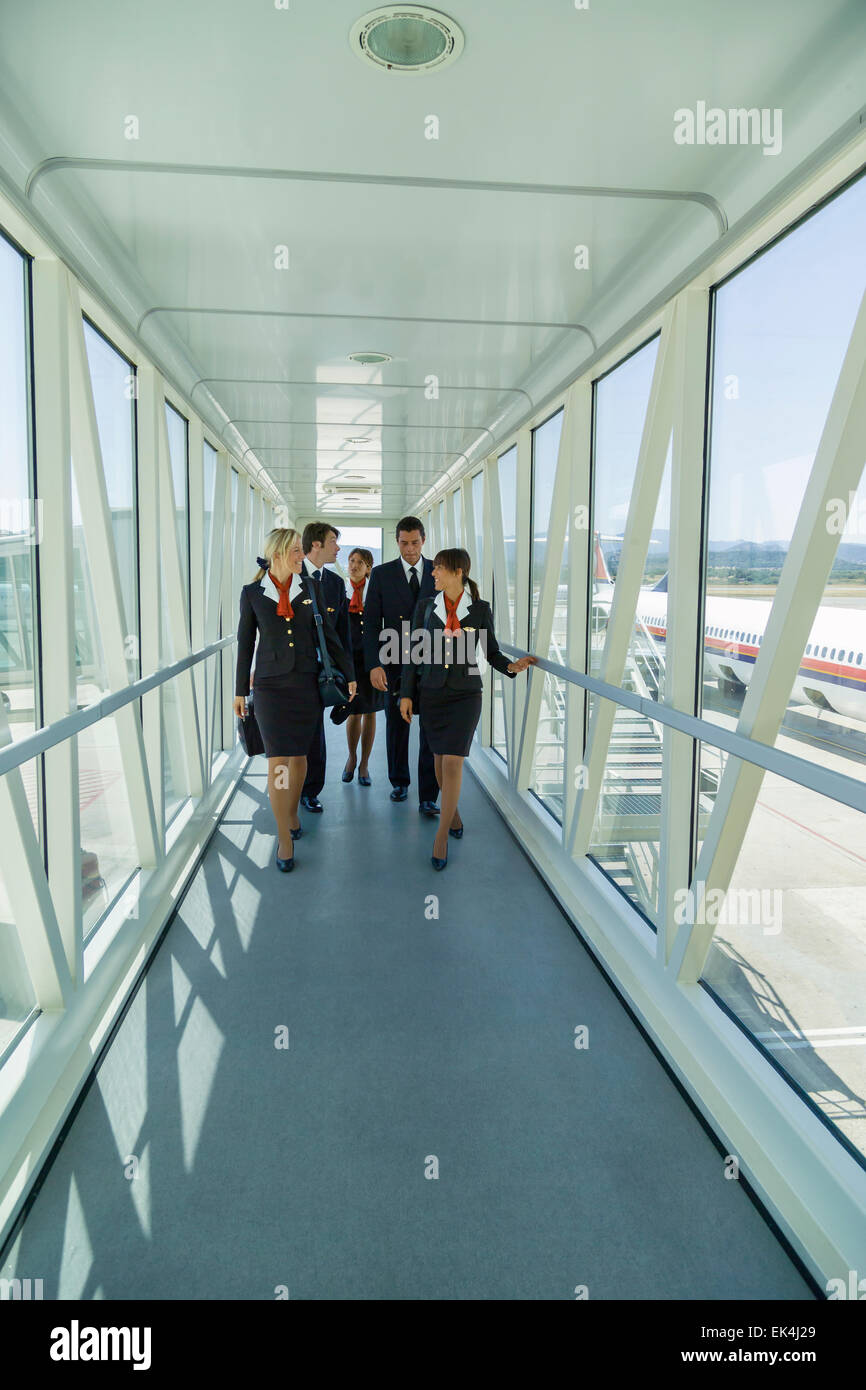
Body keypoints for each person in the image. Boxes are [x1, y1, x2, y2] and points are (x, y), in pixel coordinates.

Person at [399, 547, 536, 870]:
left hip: (465, 695)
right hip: (432, 693)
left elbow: (490, 653)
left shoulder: (478, 609)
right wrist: (406, 694)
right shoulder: (425, 607)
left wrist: (512, 668)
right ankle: (454, 815)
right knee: (437, 761)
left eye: (439, 569)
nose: (432, 573)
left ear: (458, 571)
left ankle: (441, 836)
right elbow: (412, 654)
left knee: (452, 763)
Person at [233, 528, 356, 871]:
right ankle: (284, 838)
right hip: (271, 688)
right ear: (278, 554)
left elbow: (330, 635)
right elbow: (245, 646)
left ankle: (290, 814)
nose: (302, 557)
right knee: (278, 761)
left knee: (300, 757)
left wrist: (352, 675)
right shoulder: (253, 594)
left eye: (302, 551)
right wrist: (240, 691)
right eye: (297, 551)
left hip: (305, 684)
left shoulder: (311, 588)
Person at [363, 516, 439, 815]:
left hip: (431, 663)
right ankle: (399, 781)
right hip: (393, 663)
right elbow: (370, 624)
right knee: (396, 725)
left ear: (424, 540)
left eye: (415, 543)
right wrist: (374, 664)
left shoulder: (439, 570)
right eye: (404, 543)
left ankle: (429, 795)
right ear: (397, 542)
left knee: (430, 728)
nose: (410, 549)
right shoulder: (382, 574)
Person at [299, 522, 354, 814]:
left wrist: (351, 676)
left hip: (326, 674)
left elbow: (341, 633)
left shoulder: (334, 584)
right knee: (298, 733)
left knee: (316, 732)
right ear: (316, 544)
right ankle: (290, 790)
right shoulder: (291, 577)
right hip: (294, 670)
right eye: (333, 541)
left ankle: (310, 791)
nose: (338, 547)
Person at [340, 546, 384, 785]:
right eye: (351, 560)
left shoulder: (376, 592)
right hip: (350, 661)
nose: (354, 565)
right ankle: (351, 757)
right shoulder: (340, 591)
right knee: (352, 711)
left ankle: (365, 764)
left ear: (369, 567)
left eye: (360, 562)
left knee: (370, 712)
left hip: (373, 660)